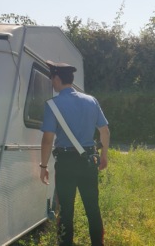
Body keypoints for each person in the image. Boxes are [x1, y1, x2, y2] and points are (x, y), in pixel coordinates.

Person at [39, 60, 110, 246]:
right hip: (89, 161)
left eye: (52, 79)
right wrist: (104, 156)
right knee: (93, 208)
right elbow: (105, 131)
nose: (52, 83)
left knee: (66, 210)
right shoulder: (91, 100)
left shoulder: (52, 105)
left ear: (56, 78)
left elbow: (47, 139)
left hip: (66, 163)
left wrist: (43, 166)